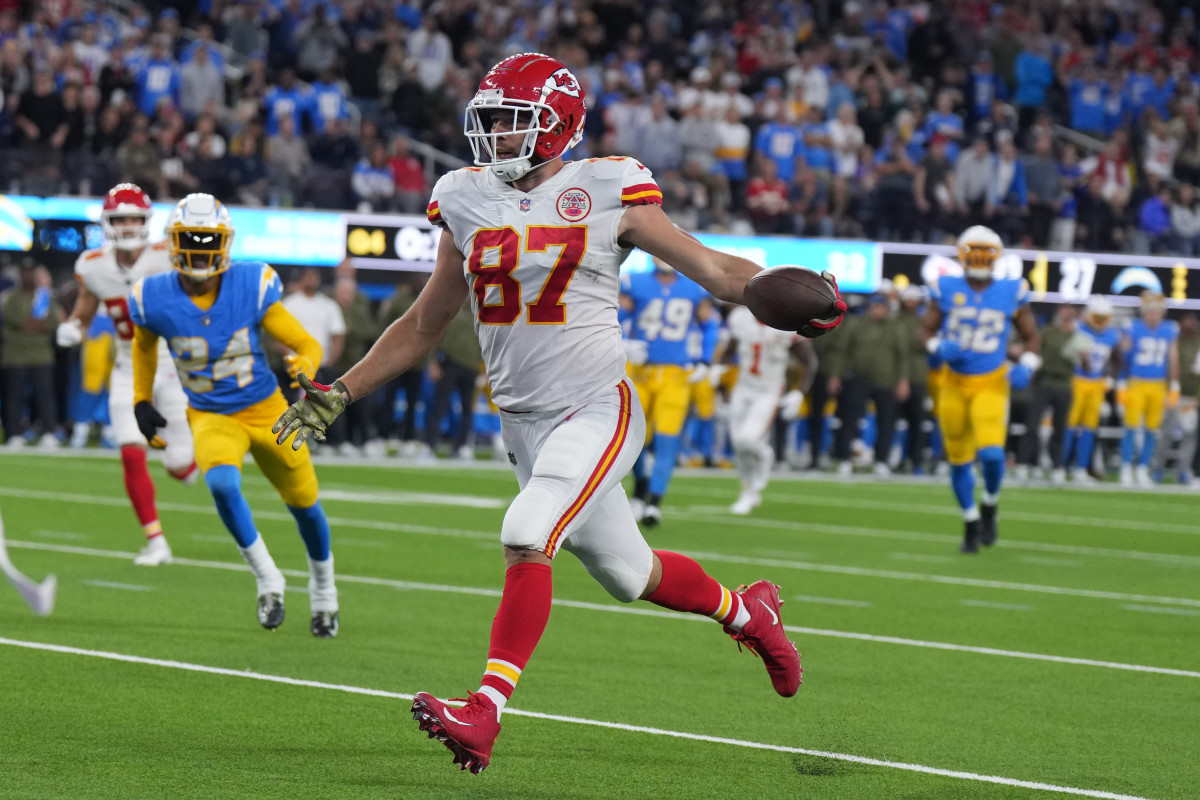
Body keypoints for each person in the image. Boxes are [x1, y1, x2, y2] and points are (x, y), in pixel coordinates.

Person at [274, 53, 838, 774]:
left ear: (557, 126)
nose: (498, 137)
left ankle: (484, 712)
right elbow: (423, 324)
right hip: (524, 425)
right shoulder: (465, 197)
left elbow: (718, 272)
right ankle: (746, 611)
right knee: (629, 573)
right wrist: (341, 391)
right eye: (493, 122)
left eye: (514, 123)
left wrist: (786, 299)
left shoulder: (608, 185)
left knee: (526, 530)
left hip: (597, 407)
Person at [128, 193, 340, 637]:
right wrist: (141, 398)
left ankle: (324, 591)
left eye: (209, 239)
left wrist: (305, 365)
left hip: (268, 413)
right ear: (174, 242)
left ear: (224, 243)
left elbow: (305, 342)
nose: (201, 248)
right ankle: (268, 577)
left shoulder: (250, 283)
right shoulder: (153, 295)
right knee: (222, 484)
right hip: (210, 415)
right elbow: (144, 343)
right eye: (192, 239)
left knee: (306, 507)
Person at [56, 184, 198, 566]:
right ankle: (156, 542)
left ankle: (188, 461)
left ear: (147, 221)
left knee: (179, 465)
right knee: (131, 452)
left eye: (135, 218)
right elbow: (85, 310)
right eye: (121, 219)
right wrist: (74, 326)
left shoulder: (169, 258)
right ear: (108, 223)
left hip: (171, 365)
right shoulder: (93, 265)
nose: (129, 225)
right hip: (127, 368)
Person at [921, 226, 1040, 553]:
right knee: (959, 460)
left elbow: (1032, 336)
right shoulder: (944, 286)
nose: (978, 258)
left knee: (990, 454)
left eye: (984, 252)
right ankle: (971, 521)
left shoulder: (1012, 290)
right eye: (972, 251)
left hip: (991, 382)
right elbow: (925, 330)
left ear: (996, 256)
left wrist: (1028, 364)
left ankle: (990, 503)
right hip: (953, 385)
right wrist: (935, 344)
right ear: (961, 253)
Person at [621, 257, 715, 526]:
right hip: (641, 370)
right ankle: (640, 490)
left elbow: (709, 325)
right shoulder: (635, 283)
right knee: (635, 437)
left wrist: (705, 360)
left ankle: (654, 503)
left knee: (667, 438)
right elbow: (611, 318)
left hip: (676, 374)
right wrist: (623, 342)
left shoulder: (693, 288)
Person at [722, 304, 817, 514]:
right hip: (743, 387)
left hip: (769, 390)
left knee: (748, 439)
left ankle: (765, 454)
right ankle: (748, 491)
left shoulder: (786, 324)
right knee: (739, 445)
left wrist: (799, 392)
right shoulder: (740, 318)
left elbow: (810, 361)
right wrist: (718, 370)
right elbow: (729, 349)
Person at [830, 294, 911, 476]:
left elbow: (903, 356)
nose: (878, 310)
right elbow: (843, 351)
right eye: (875, 306)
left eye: (881, 307)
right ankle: (845, 459)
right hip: (859, 378)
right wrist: (835, 375)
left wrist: (903, 380)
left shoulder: (895, 327)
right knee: (849, 420)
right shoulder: (857, 324)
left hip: (886, 380)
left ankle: (881, 460)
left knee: (886, 422)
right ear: (869, 308)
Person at [1117, 291, 1179, 486]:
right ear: (1144, 312)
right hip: (1136, 382)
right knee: (1131, 427)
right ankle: (1126, 467)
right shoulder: (1133, 328)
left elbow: (1173, 358)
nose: (1153, 315)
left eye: (1157, 311)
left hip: (1158, 384)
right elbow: (1121, 357)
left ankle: (1143, 468)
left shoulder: (1169, 329)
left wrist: (1174, 384)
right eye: (1150, 311)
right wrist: (1120, 381)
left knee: (1153, 429)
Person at [1063, 297, 1120, 484]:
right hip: (1076, 381)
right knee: (1069, 427)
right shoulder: (1078, 328)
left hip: (1097, 384)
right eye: (1098, 316)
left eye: (1104, 317)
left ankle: (1080, 469)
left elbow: (1117, 359)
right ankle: (1061, 466)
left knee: (1089, 429)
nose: (1101, 321)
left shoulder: (1112, 335)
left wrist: (1110, 377)